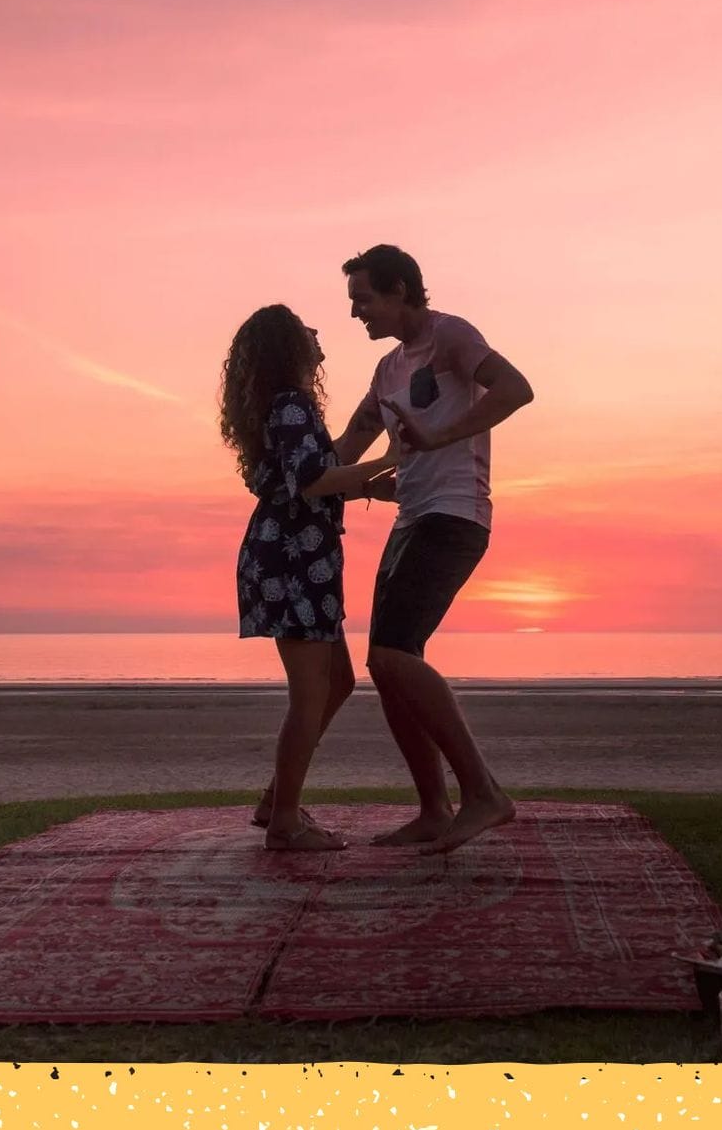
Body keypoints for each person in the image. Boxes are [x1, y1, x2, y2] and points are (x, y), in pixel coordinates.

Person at [332, 244, 537, 854]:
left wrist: (439, 435)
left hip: (455, 517)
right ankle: (432, 807)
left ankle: (484, 793)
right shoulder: (387, 370)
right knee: (386, 664)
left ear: (399, 291)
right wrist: (295, 478)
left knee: (394, 655)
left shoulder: (451, 336)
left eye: (363, 300)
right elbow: (349, 443)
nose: (356, 314)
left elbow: (517, 389)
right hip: (411, 521)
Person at [221, 304, 403, 852]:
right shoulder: (292, 404)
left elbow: (311, 478)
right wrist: (388, 459)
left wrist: (368, 487)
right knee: (309, 695)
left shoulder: (281, 408)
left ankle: (275, 801)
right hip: (293, 562)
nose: (317, 330)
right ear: (289, 347)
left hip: (297, 558)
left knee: (338, 683)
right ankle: (284, 823)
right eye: (304, 328)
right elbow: (312, 480)